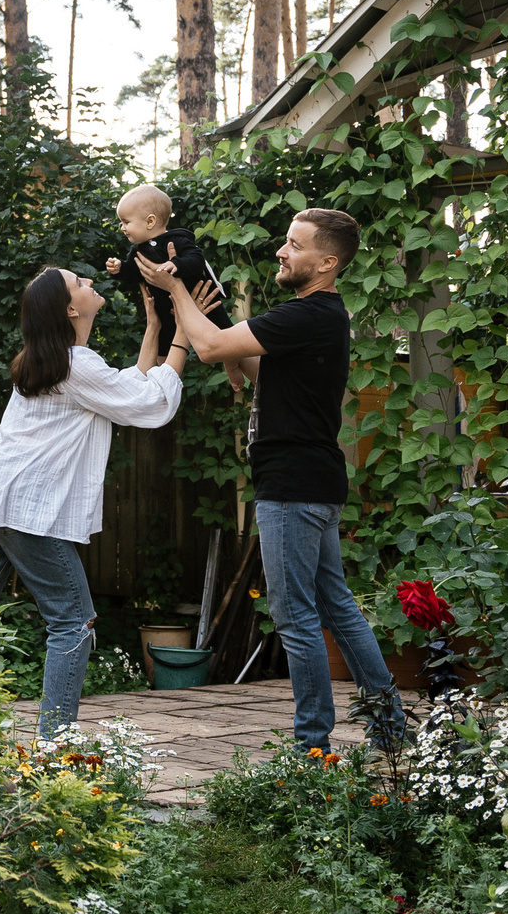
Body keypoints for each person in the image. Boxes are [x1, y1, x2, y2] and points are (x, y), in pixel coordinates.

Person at [144, 208, 407, 752]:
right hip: (312, 482)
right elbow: (254, 366)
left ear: (327, 262)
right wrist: (233, 355)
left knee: (296, 617)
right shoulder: (317, 318)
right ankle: (388, 730)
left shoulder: (310, 315)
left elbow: (212, 344)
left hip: (292, 486)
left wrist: (176, 291)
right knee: (335, 606)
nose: (281, 252)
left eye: (294, 244)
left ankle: (313, 746)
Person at [0, 264, 202, 737]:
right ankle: (54, 748)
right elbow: (150, 405)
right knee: (74, 624)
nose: (91, 282)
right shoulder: (77, 367)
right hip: (29, 513)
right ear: (70, 308)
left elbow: (129, 388)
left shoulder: (54, 361)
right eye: (81, 283)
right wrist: (183, 336)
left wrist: (156, 327)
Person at [103, 182, 232, 336]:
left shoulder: (177, 240)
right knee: (162, 342)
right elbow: (134, 274)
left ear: (150, 222)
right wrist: (120, 269)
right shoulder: (137, 251)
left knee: (224, 334)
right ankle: (165, 361)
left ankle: (233, 359)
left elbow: (196, 259)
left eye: (126, 222)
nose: (122, 228)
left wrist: (176, 263)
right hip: (166, 310)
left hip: (201, 300)